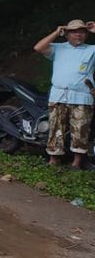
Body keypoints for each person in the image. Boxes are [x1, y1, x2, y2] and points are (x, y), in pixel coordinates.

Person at [33, 19, 95, 168]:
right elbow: (38, 47)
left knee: (80, 130)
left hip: (82, 97)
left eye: (81, 32)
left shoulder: (91, 50)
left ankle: (76, 163)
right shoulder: (58, 48)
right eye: (74, 32)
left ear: (86, 34)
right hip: (59, 95)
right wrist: (56, 32)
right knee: (56, 128)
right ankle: (53, 160)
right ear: (67, 34)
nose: (78, 35)